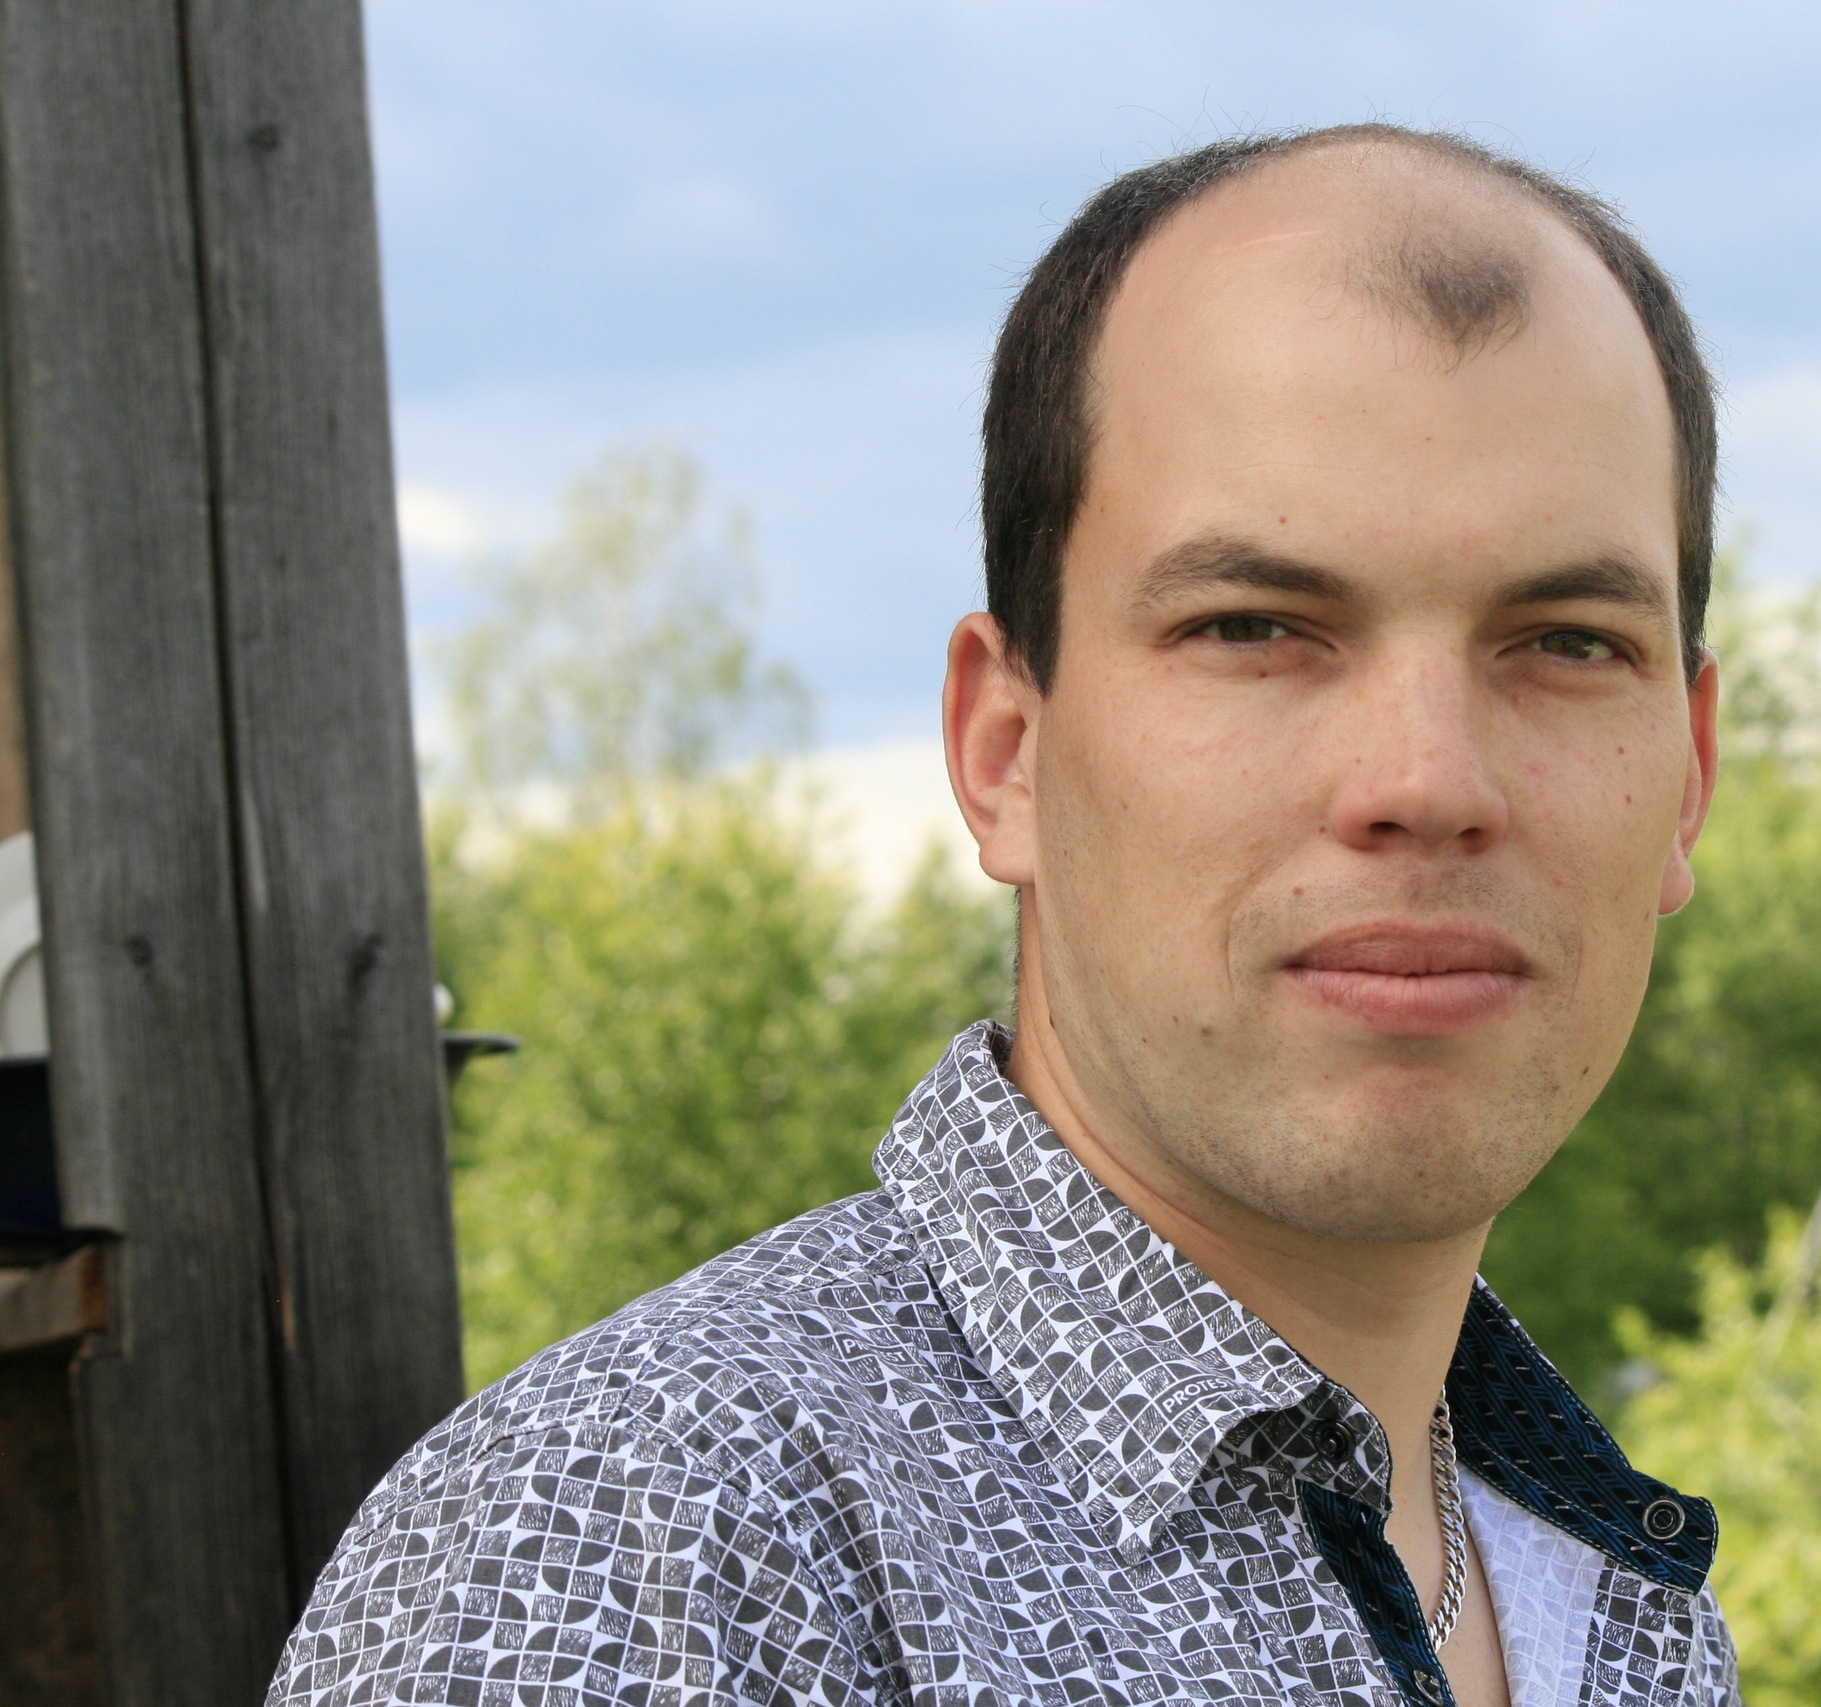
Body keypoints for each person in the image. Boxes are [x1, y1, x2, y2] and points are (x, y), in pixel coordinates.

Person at [272, 123, 1734, 1707]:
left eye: (1567, 642)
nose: (1429, 779)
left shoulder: (1598, 1582)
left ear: (1690, 774)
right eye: (1254, 627)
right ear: (1005, 752)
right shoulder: (645, 1554)